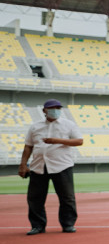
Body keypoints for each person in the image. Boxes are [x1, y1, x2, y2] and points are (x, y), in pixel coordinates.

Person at [19, 99, 83, 235]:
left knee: (67, 197)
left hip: (62, 165)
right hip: (38, 166)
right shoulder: (35, 127)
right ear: (44, 111)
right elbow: (28, 146)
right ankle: (37, 226)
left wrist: (57, 140)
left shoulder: (69, 125)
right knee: (35, 198)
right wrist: (23, 164)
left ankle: (68, 224)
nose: (55, 110)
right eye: (52, 108)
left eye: (58, 108)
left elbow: (79, 141)